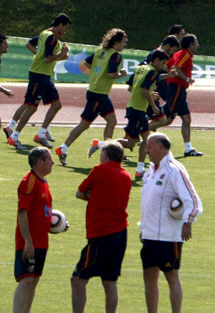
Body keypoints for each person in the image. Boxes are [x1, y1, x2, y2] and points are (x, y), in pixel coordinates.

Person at [140, 132, 203, 313]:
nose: (147, 151)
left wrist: (188, 222)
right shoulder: (150, 172)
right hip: (149, 235)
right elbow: (149, 203)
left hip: (168, 236)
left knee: (171, 276)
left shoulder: (175, 170)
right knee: (149, 276)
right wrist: (144, 228)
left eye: (150, 147)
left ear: (161, 147)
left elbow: (193, 200)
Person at [92, 50, 173, 179]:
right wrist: (153, 104)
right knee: (133, 142)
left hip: (134, 107)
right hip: (138, 109)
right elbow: (144, 89)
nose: (163, 66)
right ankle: (102, 145)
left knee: (142, 139)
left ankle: (140, 169)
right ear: (156, 60)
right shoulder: (152, 71)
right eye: (163, 62)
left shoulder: (141, 68)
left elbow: (132, 88)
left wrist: (164, 79)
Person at [71, 140, 131, 313]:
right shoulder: (126, 176)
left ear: (105, 155)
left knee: (78, 278)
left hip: (102, 234)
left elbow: (80, 192)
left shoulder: (100, 170)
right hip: (120, 234)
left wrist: (94, 196)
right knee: (110, 281)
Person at [55, 28, 127, 165]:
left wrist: (96, 73)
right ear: (116, 42)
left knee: (112, 121)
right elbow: (112, 74)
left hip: (99, 92)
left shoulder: (100, 51)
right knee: (84, 124)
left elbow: (86, 63)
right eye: (124, 42)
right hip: (98, 94)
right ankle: (63, 148)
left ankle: (108, 153)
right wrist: (121, 75)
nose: (125, 45)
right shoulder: (115, 56)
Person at [5, 13, 71, 150]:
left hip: (44, 75)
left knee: (56, 105)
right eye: (65, 28)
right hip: (39, 75)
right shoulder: (51, 38)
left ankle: (41, 134)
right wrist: (60, 54)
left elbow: (35, 49)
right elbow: (47, 59)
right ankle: (14, 136)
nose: (65, 31)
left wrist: (60, 56)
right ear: (60, 25)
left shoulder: (45, 33)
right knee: (31, 106)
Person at [12, 147, 66, 313]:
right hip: (29, 242)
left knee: (33, 281)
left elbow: (41, 213)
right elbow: (22, 213)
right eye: (50, 160)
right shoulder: (29, 181)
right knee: (26, 280)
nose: (53, 163)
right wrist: (28, 241)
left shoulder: (43, 182)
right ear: (40, 162)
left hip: (41, 241)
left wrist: (57, 225)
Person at [126, 35, 181, 132]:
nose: (173, 53)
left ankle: (143, 136)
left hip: (150, 94)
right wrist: (131, 84)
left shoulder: (156, 58)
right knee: (160, 120)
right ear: (168, 46)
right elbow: (144, 74)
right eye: (173, 50)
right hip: (145, 96)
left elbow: (154, 76)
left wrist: (168, 75)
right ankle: (139, 134)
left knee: (160, 119)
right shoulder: (154, 58)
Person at [161, 34, 203, 157]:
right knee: (167, 119)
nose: (197, 45)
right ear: (190, 44)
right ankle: (143, 129)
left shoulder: (178, 53)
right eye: (196, 42)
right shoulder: (185, 54)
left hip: (179, 90)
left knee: (186, 119)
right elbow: (175, 68)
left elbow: (166, 67)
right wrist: (187, 79)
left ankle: (188, 149)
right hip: (177, 89)